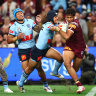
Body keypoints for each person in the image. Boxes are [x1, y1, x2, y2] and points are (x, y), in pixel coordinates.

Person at [16, 10, 64, 92]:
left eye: (57, 17)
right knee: (29, 70)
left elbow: (57, 26)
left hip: (46, 49)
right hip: (37, 51)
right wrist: (59, 28)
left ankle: (55, 72)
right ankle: (20, 84)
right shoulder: (49, 25)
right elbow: (54, 28)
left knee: (60, 58)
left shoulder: (52, 23)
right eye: (55, 17)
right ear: (51, 18)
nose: (57, 18)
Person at [7, 8, 53, 93]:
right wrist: (17, 37)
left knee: (39, 68)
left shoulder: (30, 21)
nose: (20, 14)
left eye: (21, 12)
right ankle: (21, 84)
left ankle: (46, 85)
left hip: (33, 49)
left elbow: (39, 30)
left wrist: (39, 22)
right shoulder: (13, 27)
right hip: (22, 51)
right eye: (18, 14)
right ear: (15, 16)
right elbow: (8, 40)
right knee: (26, 72)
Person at [52, 8, 86, 93]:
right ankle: (80, 86)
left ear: (74, 17)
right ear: (65, 17)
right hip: (70, 46)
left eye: (71, 17)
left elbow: (66, 36)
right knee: (67, 64)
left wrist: (59, 29)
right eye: (67, 17)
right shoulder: (66, 22)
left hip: (79, 47)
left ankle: (70, 66)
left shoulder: (74, 24)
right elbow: (60, 25)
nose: (69, 19)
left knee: (75, 69)